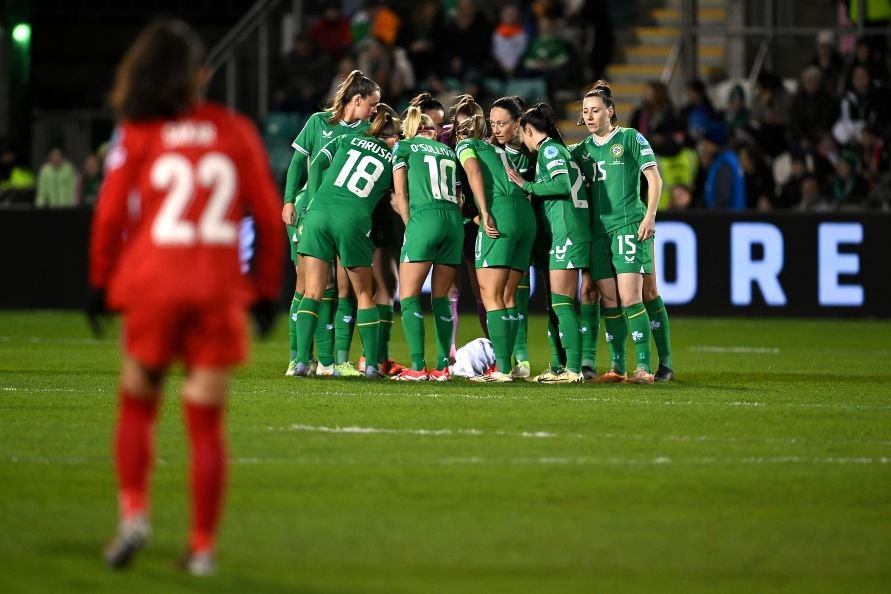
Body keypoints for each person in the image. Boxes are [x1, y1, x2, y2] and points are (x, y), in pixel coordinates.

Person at [87, 17, 283, 575]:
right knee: (205, 424)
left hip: (154, 285)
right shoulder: (234, 130)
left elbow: (109, 214)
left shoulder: (139, 131)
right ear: (203, 75)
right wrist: (264, 289)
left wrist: (100, 282)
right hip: (216, 292)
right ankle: (200, 548)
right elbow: (267, 217)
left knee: (138, 402)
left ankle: (134, 516)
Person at [281, 70, 380, 378]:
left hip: (341, 214)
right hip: (309, 209)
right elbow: (299, 162)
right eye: (373, 104)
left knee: (341, 287)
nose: (375, 110)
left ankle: (330, 361)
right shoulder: (318, 122)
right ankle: (298, 356)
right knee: (307, 285)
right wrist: (289, 201)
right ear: (358, 100)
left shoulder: (368, 131)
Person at [291, 109, 402, 378]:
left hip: (318, 215)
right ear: (392, 136)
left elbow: (315, 164)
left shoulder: (347, 139)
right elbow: (400, 196)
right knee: (363, 293)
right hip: (352, 220)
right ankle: (373, 366)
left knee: (312, 291)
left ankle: (302, 363)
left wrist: (313, 202)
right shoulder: (395, 157)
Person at [571, 81, 664, 384]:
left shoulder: (629, 138)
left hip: (628, 225)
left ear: (610, 111)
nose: (589, 116)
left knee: (632, 296)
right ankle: (617, 366)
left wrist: (650, 216)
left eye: (595, 110)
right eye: (585, 111)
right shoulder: (580, 150)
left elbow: (654, 178)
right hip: (598, 233)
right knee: (609, 300)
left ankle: (646, 367)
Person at [507, 103, 589, 383]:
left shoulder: (550, 150)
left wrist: (526, 185)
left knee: (562, 303)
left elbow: (562, 184)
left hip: (567, 232)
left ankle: (574, 369)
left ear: (529, 130)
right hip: (560, 234)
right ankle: (558, 365)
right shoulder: (551, 150)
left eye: (522, 133)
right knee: (555, 303)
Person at [455, 104, 536, 382]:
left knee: (491, 296)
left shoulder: (467, 145)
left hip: (500, 214)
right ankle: (512, 364)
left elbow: (474, 173)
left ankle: (501, 368)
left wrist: (485, 211)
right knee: (509, 297)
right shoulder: (501, 150)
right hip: (525, 218)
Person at [391, 106, 463, 381]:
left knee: (409, 297)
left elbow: (400, 192)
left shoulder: (404, 148)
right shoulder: (449, 151)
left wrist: (410, 225)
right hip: (453, 223)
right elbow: (457, 195)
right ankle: (443, 366)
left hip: (425, 218)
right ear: (432, 130)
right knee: (442, 298)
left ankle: (418, 367)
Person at [488, 95, 535, 378]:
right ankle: (508, 358)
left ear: (518, 123)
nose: (495, 129)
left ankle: (522, 358)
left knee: (517, 294)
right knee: (500, 294)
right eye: (492, 123)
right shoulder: (489, 152)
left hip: (527, 228)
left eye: (501, 123)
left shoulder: (535, 154)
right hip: (498, 225)